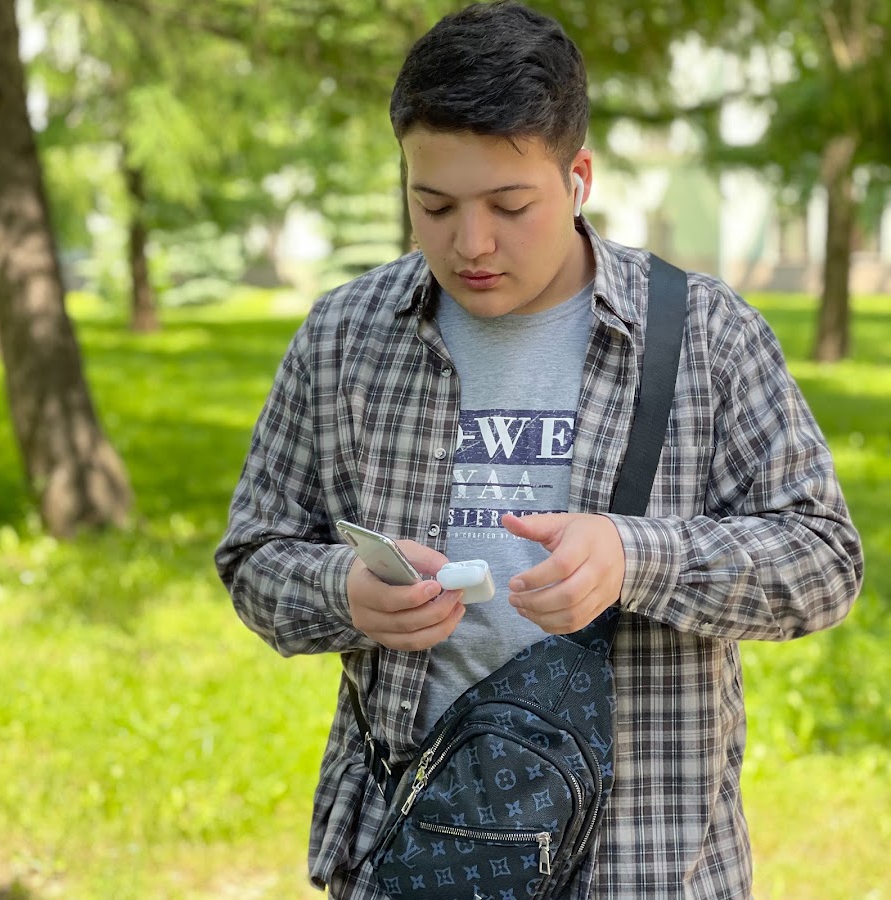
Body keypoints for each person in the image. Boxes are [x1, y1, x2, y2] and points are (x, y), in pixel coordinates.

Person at [215, 2, 863, 897]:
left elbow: (825, 560)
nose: (470, 244)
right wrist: (346, 594)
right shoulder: (345, 336)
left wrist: (636, 556)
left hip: (649, 859)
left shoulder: (705, 332)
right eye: (432, 205)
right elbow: (253, 556)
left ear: (578, 178)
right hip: (417, 849)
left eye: (509, 206)